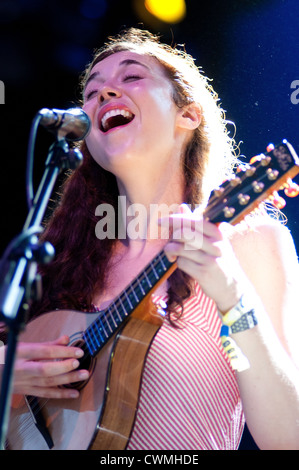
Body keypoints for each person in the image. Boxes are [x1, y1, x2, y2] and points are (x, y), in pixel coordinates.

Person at [1, 27, 299, 450]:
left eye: (131, 77)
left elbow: (288, 438)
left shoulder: (249, 242)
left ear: (188, 116)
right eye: (92, 91)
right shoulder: (60, 262)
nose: (104, 94)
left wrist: (233, 294)